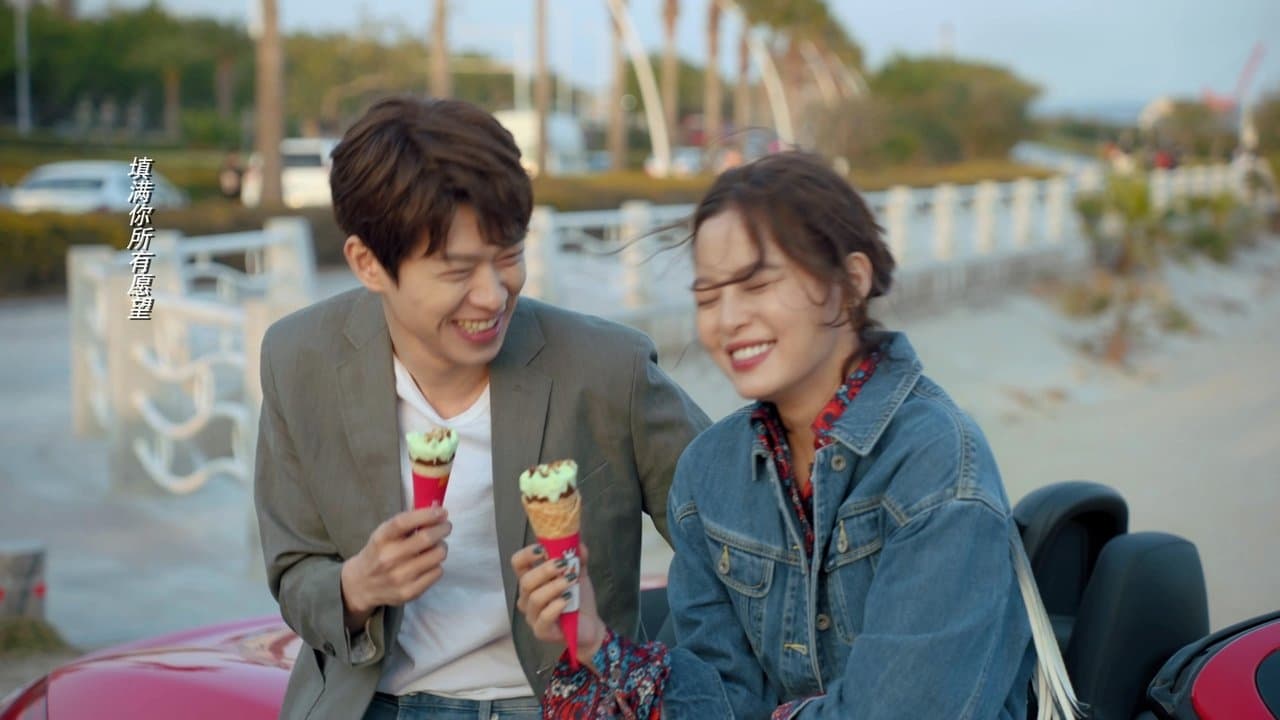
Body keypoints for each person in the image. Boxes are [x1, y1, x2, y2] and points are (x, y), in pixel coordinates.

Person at [514, 151, 1079, 719]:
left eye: (757, 284)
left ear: (850, 282)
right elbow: (721, 700)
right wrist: (595, 643)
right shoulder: (708, 472)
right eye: (708, 297)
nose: (728, 319)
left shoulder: (934, 462)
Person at [253, 96, 710, 720]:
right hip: (374, 702)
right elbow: (293, 570)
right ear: (368, 264)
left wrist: (658, 668)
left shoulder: (606, 368)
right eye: (457, 270)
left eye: (508, 256)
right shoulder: (299, 358)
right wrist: (357, 585)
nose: (493, 295)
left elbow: (741, 540)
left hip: (556, 704)